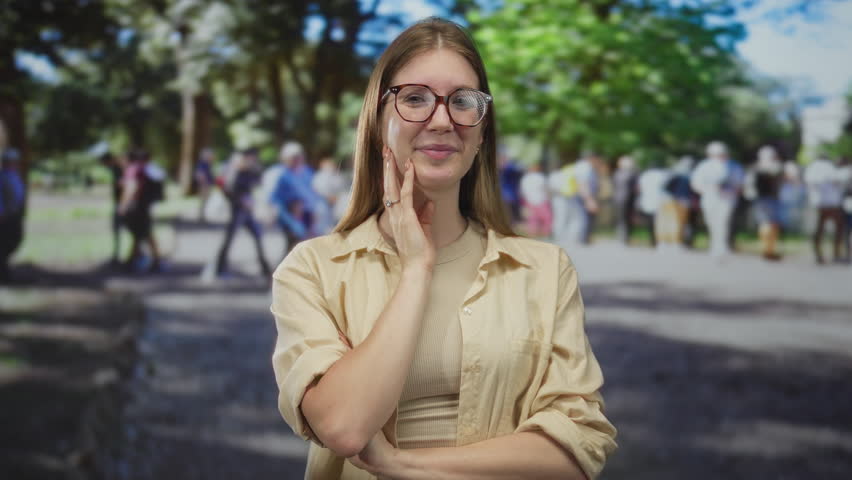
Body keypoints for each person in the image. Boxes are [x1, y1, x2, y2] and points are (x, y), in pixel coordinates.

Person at [271, 18, 616, 480]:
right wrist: (417, 270)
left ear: (481, 131)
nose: (441, 120)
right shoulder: (314, 269)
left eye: (463, 102)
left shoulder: (546, 271)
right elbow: (344, 427)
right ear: (378, 119)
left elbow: (578, 449)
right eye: (415, 98)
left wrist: (400, 464)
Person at [214, 148, 272, 278]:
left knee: (257, 236)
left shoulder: (250, 171)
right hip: (238, 210)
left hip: (247, 211)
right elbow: (228, 190)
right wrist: (240, 200)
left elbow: (258, 182)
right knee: (230, 239)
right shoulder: (235, 171)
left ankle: (265, 268)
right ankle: (219, 268)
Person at [690, 141, 744, 260]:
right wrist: (708, 189)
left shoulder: (734, 166)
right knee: (711, 222)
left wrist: (729, 190)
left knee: (723, 222)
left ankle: (721, 247)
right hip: (709, 198)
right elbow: (695, 184)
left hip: (727, 199)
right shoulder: (704, 166)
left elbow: (739, 185)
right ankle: (715, 245)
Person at [118, 149, 162, 273]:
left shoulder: (133, 169)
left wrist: (123, 205)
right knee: (143, 234)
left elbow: (132, 187)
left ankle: (134, 260)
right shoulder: (143, 169)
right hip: (143, 207)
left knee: (142, 234)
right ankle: (148, 260)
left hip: (137, 208)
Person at [804, 155, 848, 264]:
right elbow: (837, 180)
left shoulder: (812, 168)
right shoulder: (828, 167)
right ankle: (835, 254)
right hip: (831, 204)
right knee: (836, 229)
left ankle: (819, 255)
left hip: (818, 203)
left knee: (818, 230)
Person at [744, 146, 784, 261]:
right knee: (768, 224)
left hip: (763, 199)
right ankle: (767, 250)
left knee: (768, 224)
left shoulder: (755, 167)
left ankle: (768, 249)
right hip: (767, 199)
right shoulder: (771, 167)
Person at [0, 148, 26, 281]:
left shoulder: (15, 176)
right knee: (4, 245)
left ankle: (4, 271)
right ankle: (3, 274)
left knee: (13, 242)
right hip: (5, 219)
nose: (15, 163)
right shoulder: (3, 177)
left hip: (14, 217)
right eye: (12, 161)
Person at [100, 152, 126, 265]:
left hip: (122, 204)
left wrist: (122, 204)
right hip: (120, 203)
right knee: (118, 230)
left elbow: (125, 185)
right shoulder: (117, 168)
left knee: (120, 229)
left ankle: (118, 256)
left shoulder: (118, 169)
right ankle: (117, 255)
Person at [312, 157, 348, 236]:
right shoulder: (319, 177)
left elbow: (342, 189)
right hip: (323, 205)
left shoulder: (338, 176)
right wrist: (328, 198)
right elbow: (318, 190)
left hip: (337, 205)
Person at [519, 163, 552, 237]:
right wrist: (549, 198)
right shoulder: (540, 177)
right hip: (541, 200)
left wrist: (524, 202)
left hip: (529, 201)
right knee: (547, 218)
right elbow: (546, 189)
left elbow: (522, 191)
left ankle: (533, 234)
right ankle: (545, 233)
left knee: (532, 219)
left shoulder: (525, 178)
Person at [612, 155, 638, 245]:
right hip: (628, 199)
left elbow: (614, 185)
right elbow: (636, 188)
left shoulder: (617, 173)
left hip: (618, 198)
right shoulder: (632, 174)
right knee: (627, 218)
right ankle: (625, 237)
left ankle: (621, 236)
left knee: (621, 218)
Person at [194, 147, 216, 223]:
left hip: (207, 185)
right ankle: (201, 216)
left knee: (205, 201)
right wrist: (204, 183)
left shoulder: (207, 164)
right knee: (203, 201)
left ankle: (202, 216)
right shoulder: (202, 164)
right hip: (204, 185)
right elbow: (199, 175)